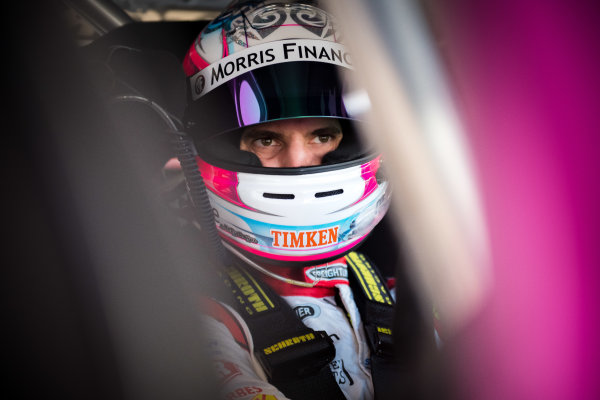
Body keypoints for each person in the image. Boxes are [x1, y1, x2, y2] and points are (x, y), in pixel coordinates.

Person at [178, 1, 403, 399]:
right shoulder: (196, 316)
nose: (298, 164)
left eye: (323, 136)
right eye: (266, 139)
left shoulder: (406, 291)